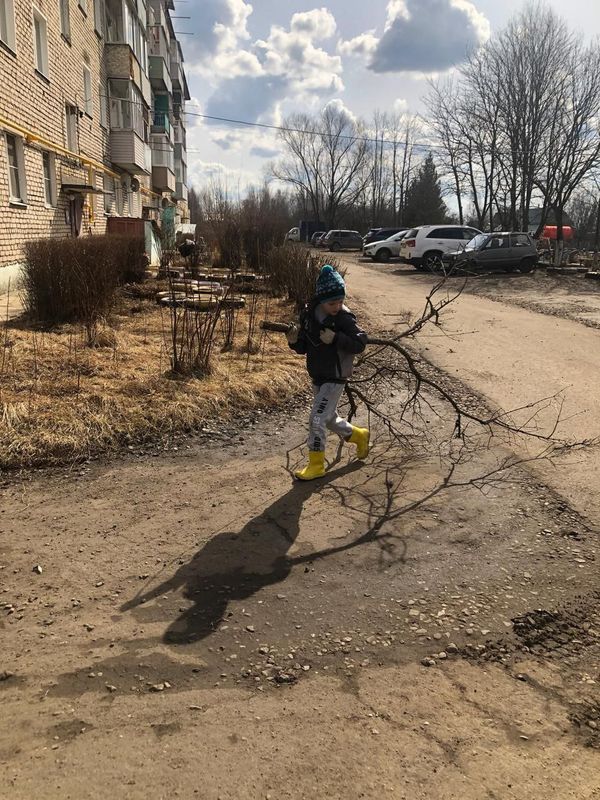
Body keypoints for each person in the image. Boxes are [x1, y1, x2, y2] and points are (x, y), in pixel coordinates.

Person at [286, 265, 370, 480]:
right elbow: (303, 347)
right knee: (329, 418)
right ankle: (359, 435)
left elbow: (360, 343)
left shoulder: (344, 318)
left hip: (335, 376)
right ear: (321, 300)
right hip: (318, 375)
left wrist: (336, 339)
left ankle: (316, 465)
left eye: (341, 301)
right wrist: (293, 341)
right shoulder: (309, 317)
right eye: (332, 303)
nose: (337, 306)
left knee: (317, 418)